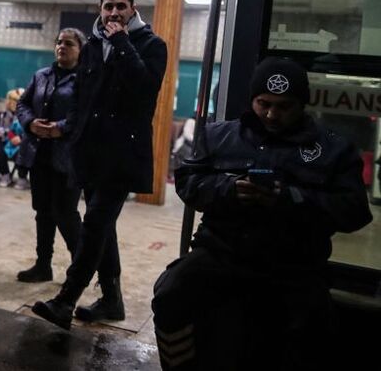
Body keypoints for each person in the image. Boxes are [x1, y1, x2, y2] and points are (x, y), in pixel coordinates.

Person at [151, 58, 371, 370]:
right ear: (252, 99)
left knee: (311, 331)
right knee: (170, 294)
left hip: (294, 264)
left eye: (284, 107)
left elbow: (355, 212)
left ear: (302, 104)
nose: (271, 114)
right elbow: (189, 181)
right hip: (222, 253)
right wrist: (228, 190)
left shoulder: (333, 150)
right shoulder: (218, 136)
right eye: (263, 104)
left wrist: (290, 198)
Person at [33, 0, 167, 330]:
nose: (114, 13)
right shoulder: (92, 46)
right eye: (108, 7)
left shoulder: (152, 46)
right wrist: (69, 132)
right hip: (90, 153)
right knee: (103, 228)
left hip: (122, 156)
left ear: (133, 9)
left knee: (93, 225)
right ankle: (112, 299)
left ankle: (66, 299)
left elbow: (144, 88)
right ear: (100, 8)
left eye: (121, 6)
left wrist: (122, 42)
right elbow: (80, 95)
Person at [15, 28, 87, 283]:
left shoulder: (85, 79)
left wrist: (60, 128)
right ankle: (43, 266)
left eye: (69, 43)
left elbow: (85, 115)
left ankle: (80, 272)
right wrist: (31, 123)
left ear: (80, 50)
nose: (62, 47)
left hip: (67, 159)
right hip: (39, 155)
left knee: (66, 214)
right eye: (58, 42)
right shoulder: (41, 75)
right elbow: (22, 104)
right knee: (43, 211)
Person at [0, 88, 25, 188]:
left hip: (21, 142)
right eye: (11, 100)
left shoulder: (26, 115)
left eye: (16, 101)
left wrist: (20, 138)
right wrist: (3, 133)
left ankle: (22, 178)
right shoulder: (4, 115)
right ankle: (5, 175)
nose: (13, 103)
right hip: (7, 140)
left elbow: (30, 131)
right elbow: (0, 128)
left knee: (24, 152)